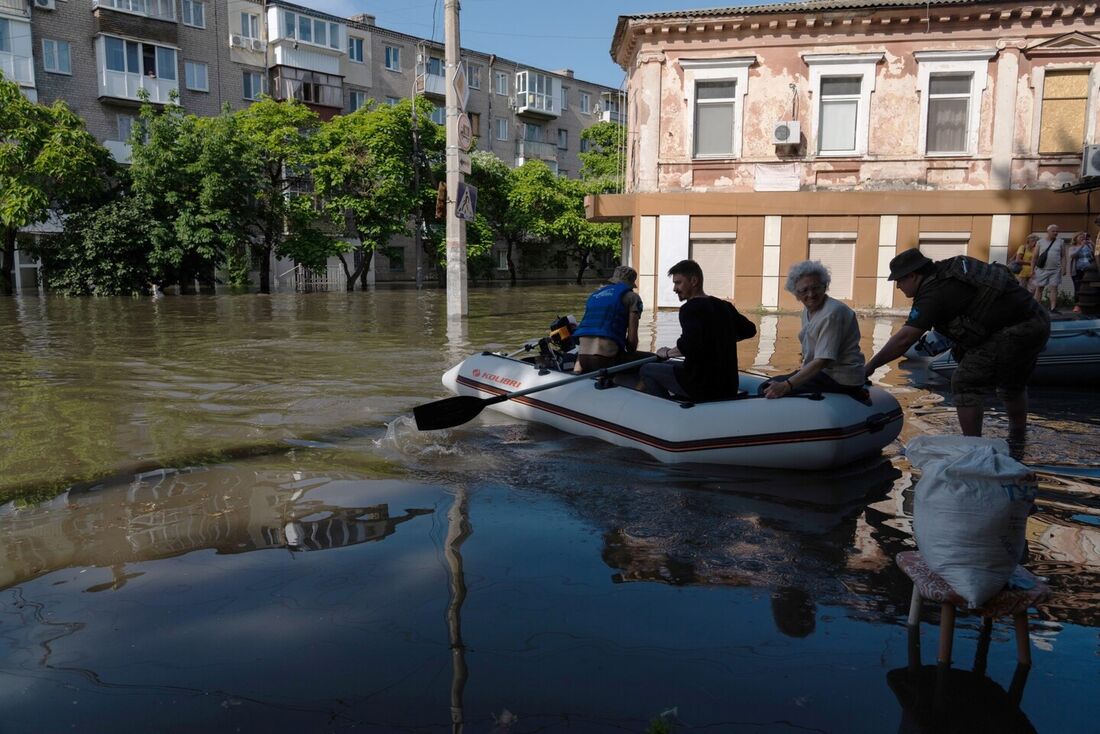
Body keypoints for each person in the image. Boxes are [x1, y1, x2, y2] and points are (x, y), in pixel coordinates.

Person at [864, 249, 1050, 440]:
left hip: (1016, 330)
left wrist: (870, 367)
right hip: (1038, 320)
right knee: (1012, 384)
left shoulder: (932, 293)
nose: (898, 287)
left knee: (965, 382)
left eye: (899, 281)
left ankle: (972, 446)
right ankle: (1018, 437)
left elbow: (905, 339)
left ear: (913, 275)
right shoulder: (951, 268)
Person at [639, 259, 756, 401]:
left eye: (678, 282)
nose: (675, 288)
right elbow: (750, 330)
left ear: (694, 281)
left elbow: (688, 346)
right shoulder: (724, 305)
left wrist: (667, 352)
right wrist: (721, 338)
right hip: (728, 385)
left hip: (701, 386)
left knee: (646, 369)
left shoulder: (689, 309)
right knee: (667, 365)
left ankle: (668, 408)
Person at [762, 260, 867, 399]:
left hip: (841, 379)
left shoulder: (832, 313)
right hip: (824, 373)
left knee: (765, 389)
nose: (811, 294)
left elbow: (823, 360)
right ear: (797, 294)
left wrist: (787, 385)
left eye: (816, 288)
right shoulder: (807, 311)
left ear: (824, 287)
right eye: (804, 290)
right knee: (766, 386)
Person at [572, 265, 643, 373]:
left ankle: (577, 373)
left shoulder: (593, 296)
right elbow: (632, 343)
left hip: (583, 360)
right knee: (651, 360)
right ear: (631, 283)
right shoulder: (632, 297)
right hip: (605, 361)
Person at [1030, 224, 1067, 311]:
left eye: (1057, 231)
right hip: (1041, 269)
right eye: (1053, 231)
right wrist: (1032, 270)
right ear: (1048, 232)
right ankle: (1036, 309)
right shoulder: (1040, 242)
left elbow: (1063, 256)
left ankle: (1053, 308)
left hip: (1055, 269)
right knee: (1039, 288)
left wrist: (1064, 267)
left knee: (1054, 288)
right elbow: (1034, 257)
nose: (1056, 233)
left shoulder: (1061, 242)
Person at [1068, 231, 1096, 313]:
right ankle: (1077, 305)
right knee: (1078, 288)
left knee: (1089, 287)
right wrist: (1081, 246)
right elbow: (1072, 255)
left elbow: (1096, 253)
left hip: (1089, 271)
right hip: (1077, 270)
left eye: (1083, 237)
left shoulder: (1089, 246)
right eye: (1080, 237)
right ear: (1076, 239)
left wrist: (1092, 243)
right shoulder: (1072, 247)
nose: (1082, 239)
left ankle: (1089, 304)